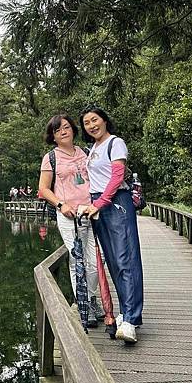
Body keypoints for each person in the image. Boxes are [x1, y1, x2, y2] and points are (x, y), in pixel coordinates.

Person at [79, 105, 144, 343]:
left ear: (105, 120)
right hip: (98, 205)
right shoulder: (94, 148)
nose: (92, 125)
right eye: (87, 123)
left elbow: (117, 176)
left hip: (116, 202)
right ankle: (126, 312)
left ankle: (131, 319)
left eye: (95, 120)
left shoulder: (115, 142)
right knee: (114, 261)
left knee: (126, 258)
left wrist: (102, 202)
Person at [39, 113, 104, 328]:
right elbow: (43, 189)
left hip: (91, 213)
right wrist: (61, 205)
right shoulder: (51, 158)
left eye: (66, 127)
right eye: (58, 130)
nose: (63, 131)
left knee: (95, 261)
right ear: (53, 136)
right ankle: (84, 302)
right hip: (68, 216)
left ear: (74, 130)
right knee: (78, 260)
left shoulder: (86, 152)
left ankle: (92, 298)